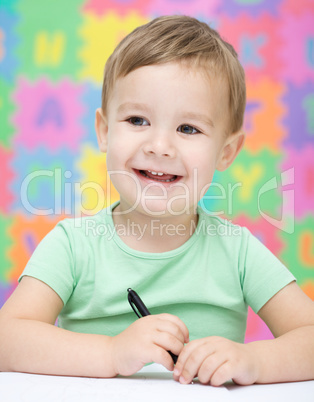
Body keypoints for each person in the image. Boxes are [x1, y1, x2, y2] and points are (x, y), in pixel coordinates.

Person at [0, 15, 313, 386]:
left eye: (187, 128)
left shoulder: (238, 251)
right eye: (137, 120)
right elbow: (7, 339)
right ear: (104, 131)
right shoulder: (73, 245)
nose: (159, 146)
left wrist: (254, 360)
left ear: (226, 152)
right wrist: (111, 352)